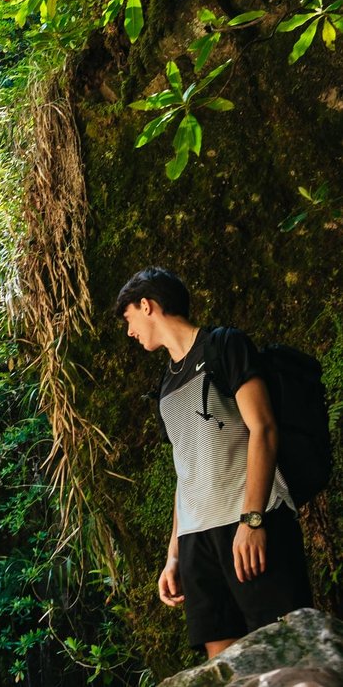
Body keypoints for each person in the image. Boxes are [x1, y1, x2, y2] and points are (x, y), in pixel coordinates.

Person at [115, 267, 312, 658]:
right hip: (196, 544)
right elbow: (183, 473)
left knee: (288, 659)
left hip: (251, 524)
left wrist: (252, 520)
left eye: (128, 319)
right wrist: (174, 555)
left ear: (146, 304)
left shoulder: (225, 346)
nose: (129, 331)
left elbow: (264, 429)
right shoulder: (165, 388)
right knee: (225, 667)